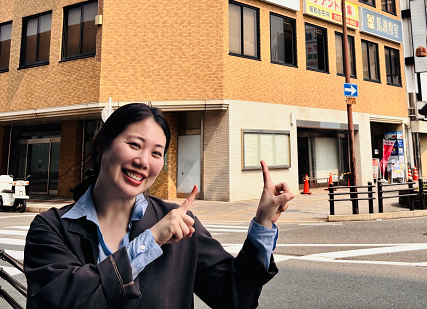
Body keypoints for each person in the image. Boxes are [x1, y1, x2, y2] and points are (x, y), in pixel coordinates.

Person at [24, 103, 294, 308]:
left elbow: (235, 297)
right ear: (103, 144)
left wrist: (263, 222)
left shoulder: (181, 226)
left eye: (156, 153)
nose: (143, 161)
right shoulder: (50, 229)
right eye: (134, 144)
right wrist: (150, 241)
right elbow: (62, 300)